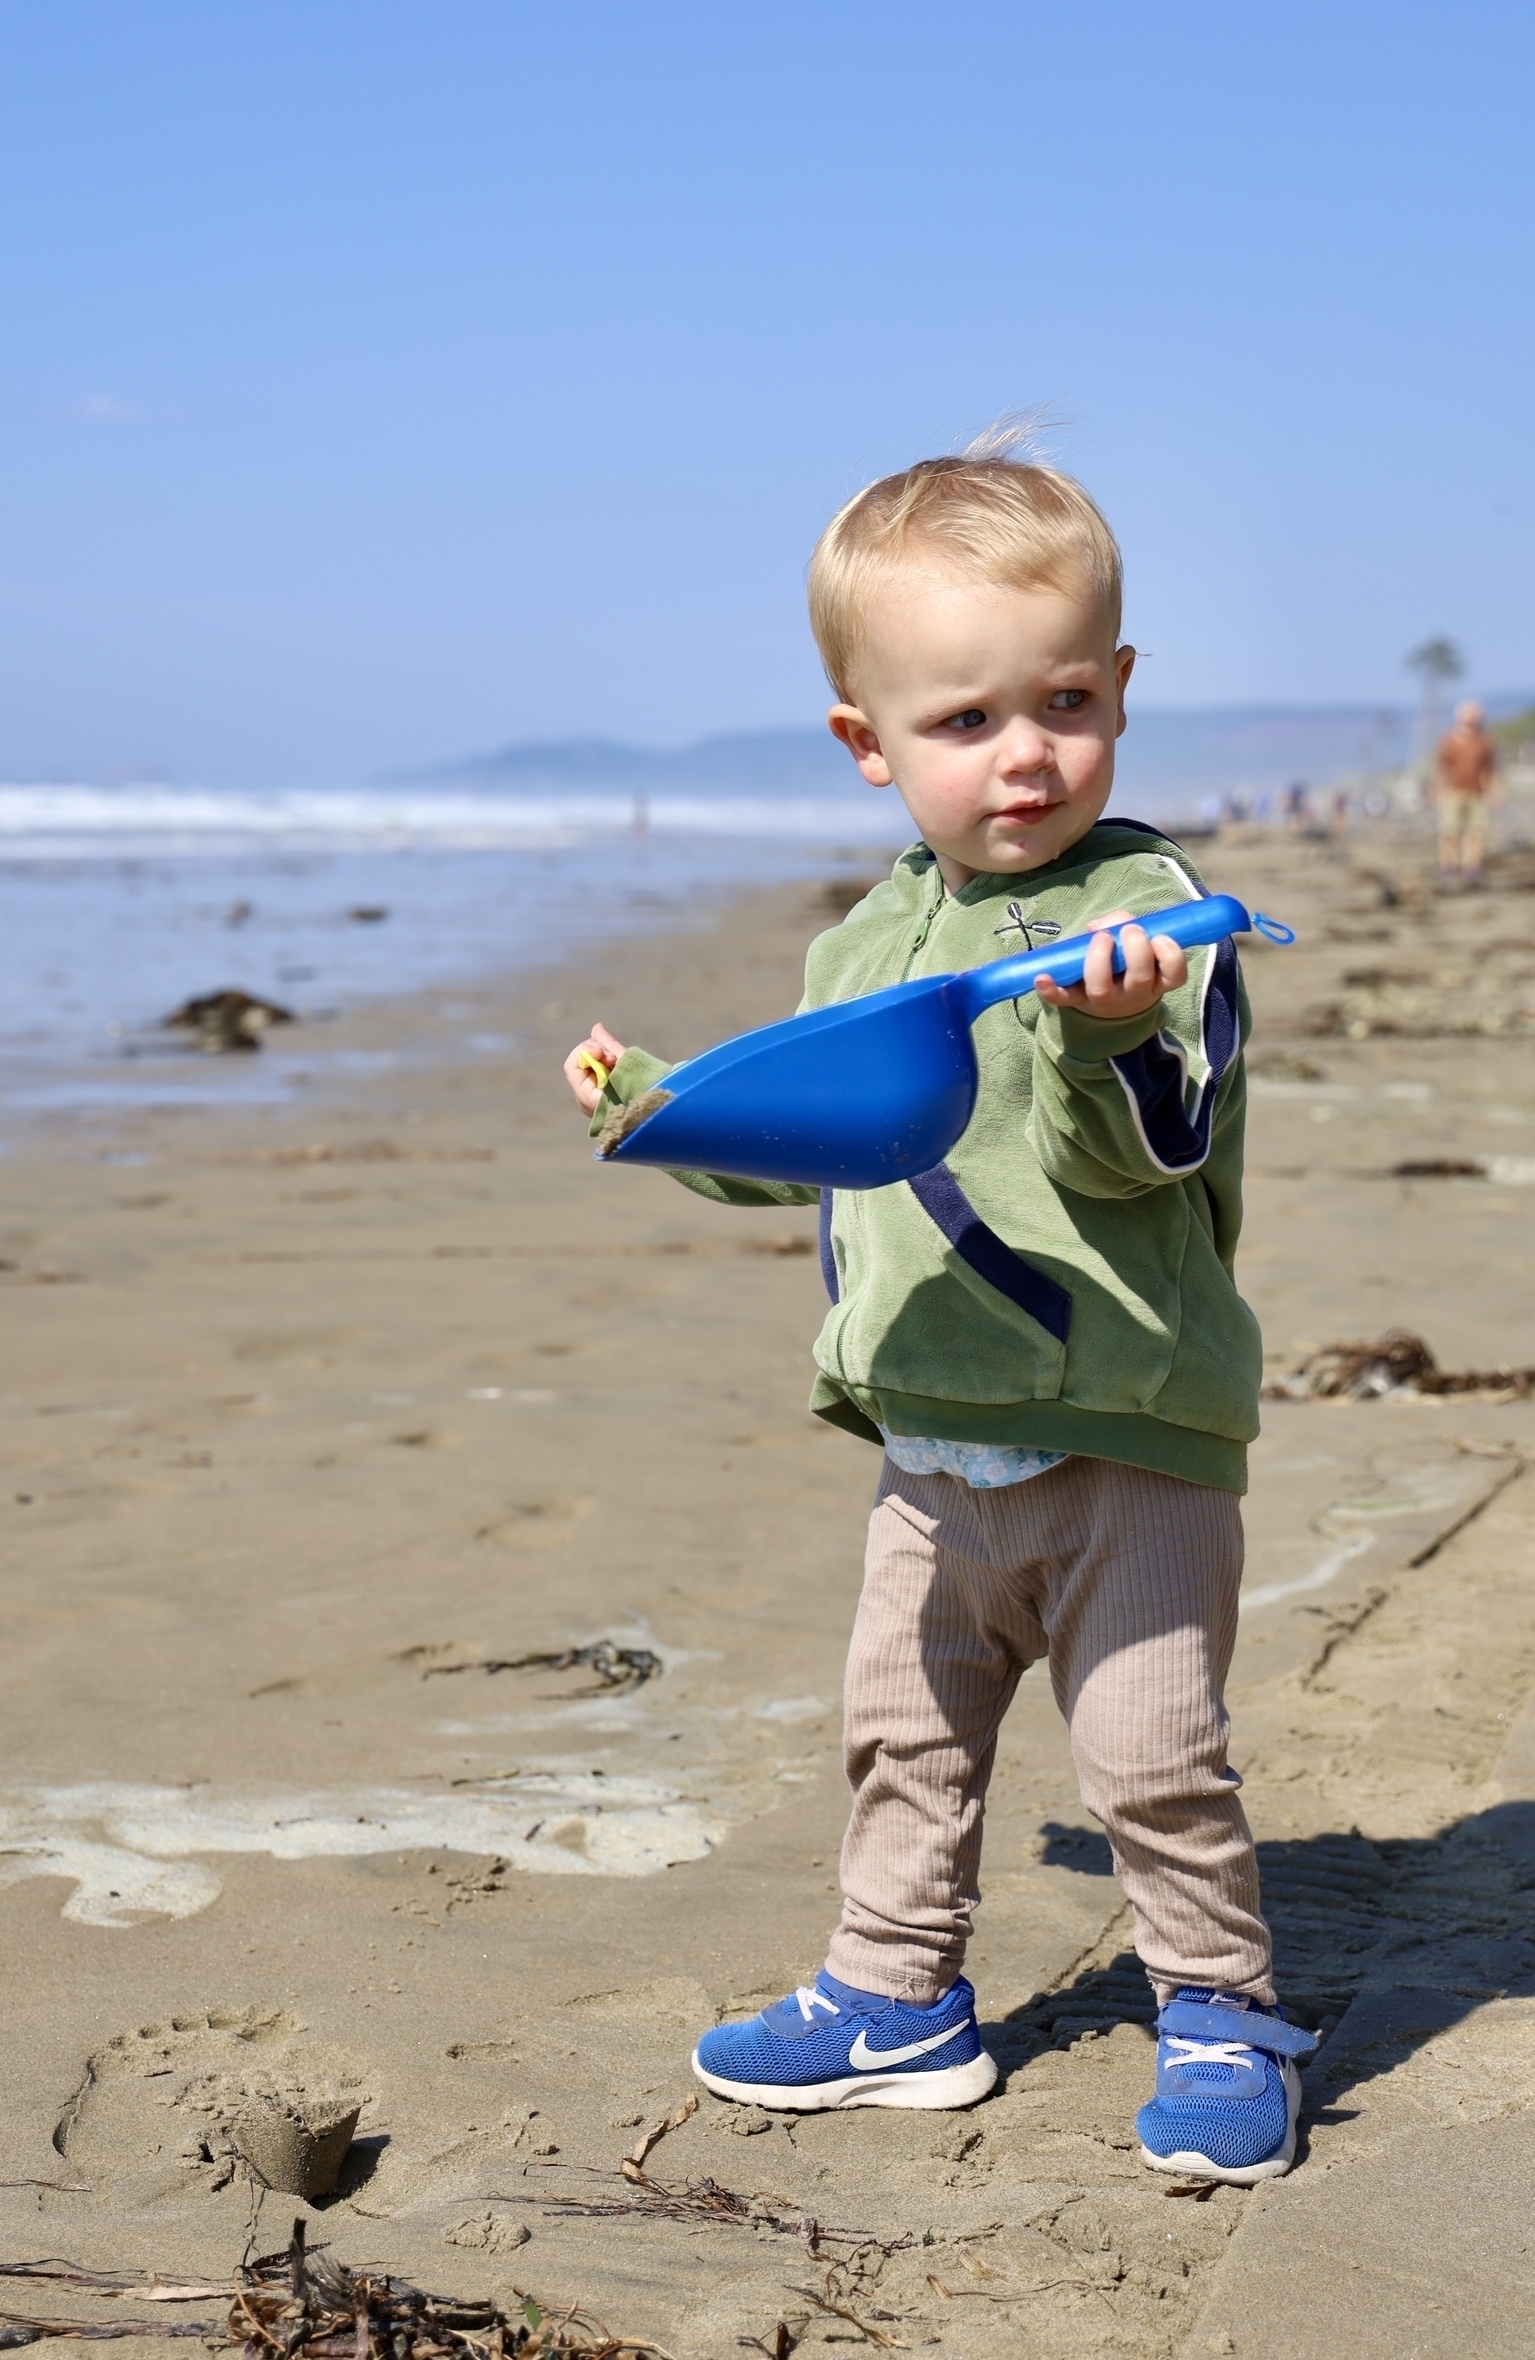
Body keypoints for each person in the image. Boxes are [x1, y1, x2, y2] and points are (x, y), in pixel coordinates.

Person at [562, 433, 1315, 2183]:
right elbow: (810, 1148)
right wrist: (661, 1108)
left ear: (1119, 686)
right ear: (868, 743)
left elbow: (1150, 1155)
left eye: (1064, 700)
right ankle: (895, 1997)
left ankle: (1218, 2005)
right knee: (902, 1740)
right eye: (965, 722)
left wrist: (1110, 1031)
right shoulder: (869, 942)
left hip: (1124, 1431)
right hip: (926, 1434)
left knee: (1148, 1755)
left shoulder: (1148, 921)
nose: (1026, 755)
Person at [1433, 700, 1498, 885]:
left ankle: (1472, 866)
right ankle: (1448, 865)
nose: (1473, 719)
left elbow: (1490, 769)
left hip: (1477, 793)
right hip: (1453, 792)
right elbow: (1440, 767)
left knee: (1476, 832)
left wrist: (1493, 791)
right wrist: (1436, 790)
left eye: (1476, 715)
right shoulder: (1448, 741)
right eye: (1470, 715)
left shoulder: (1485, 742)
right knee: (1449, 831)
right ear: (1460, 717)